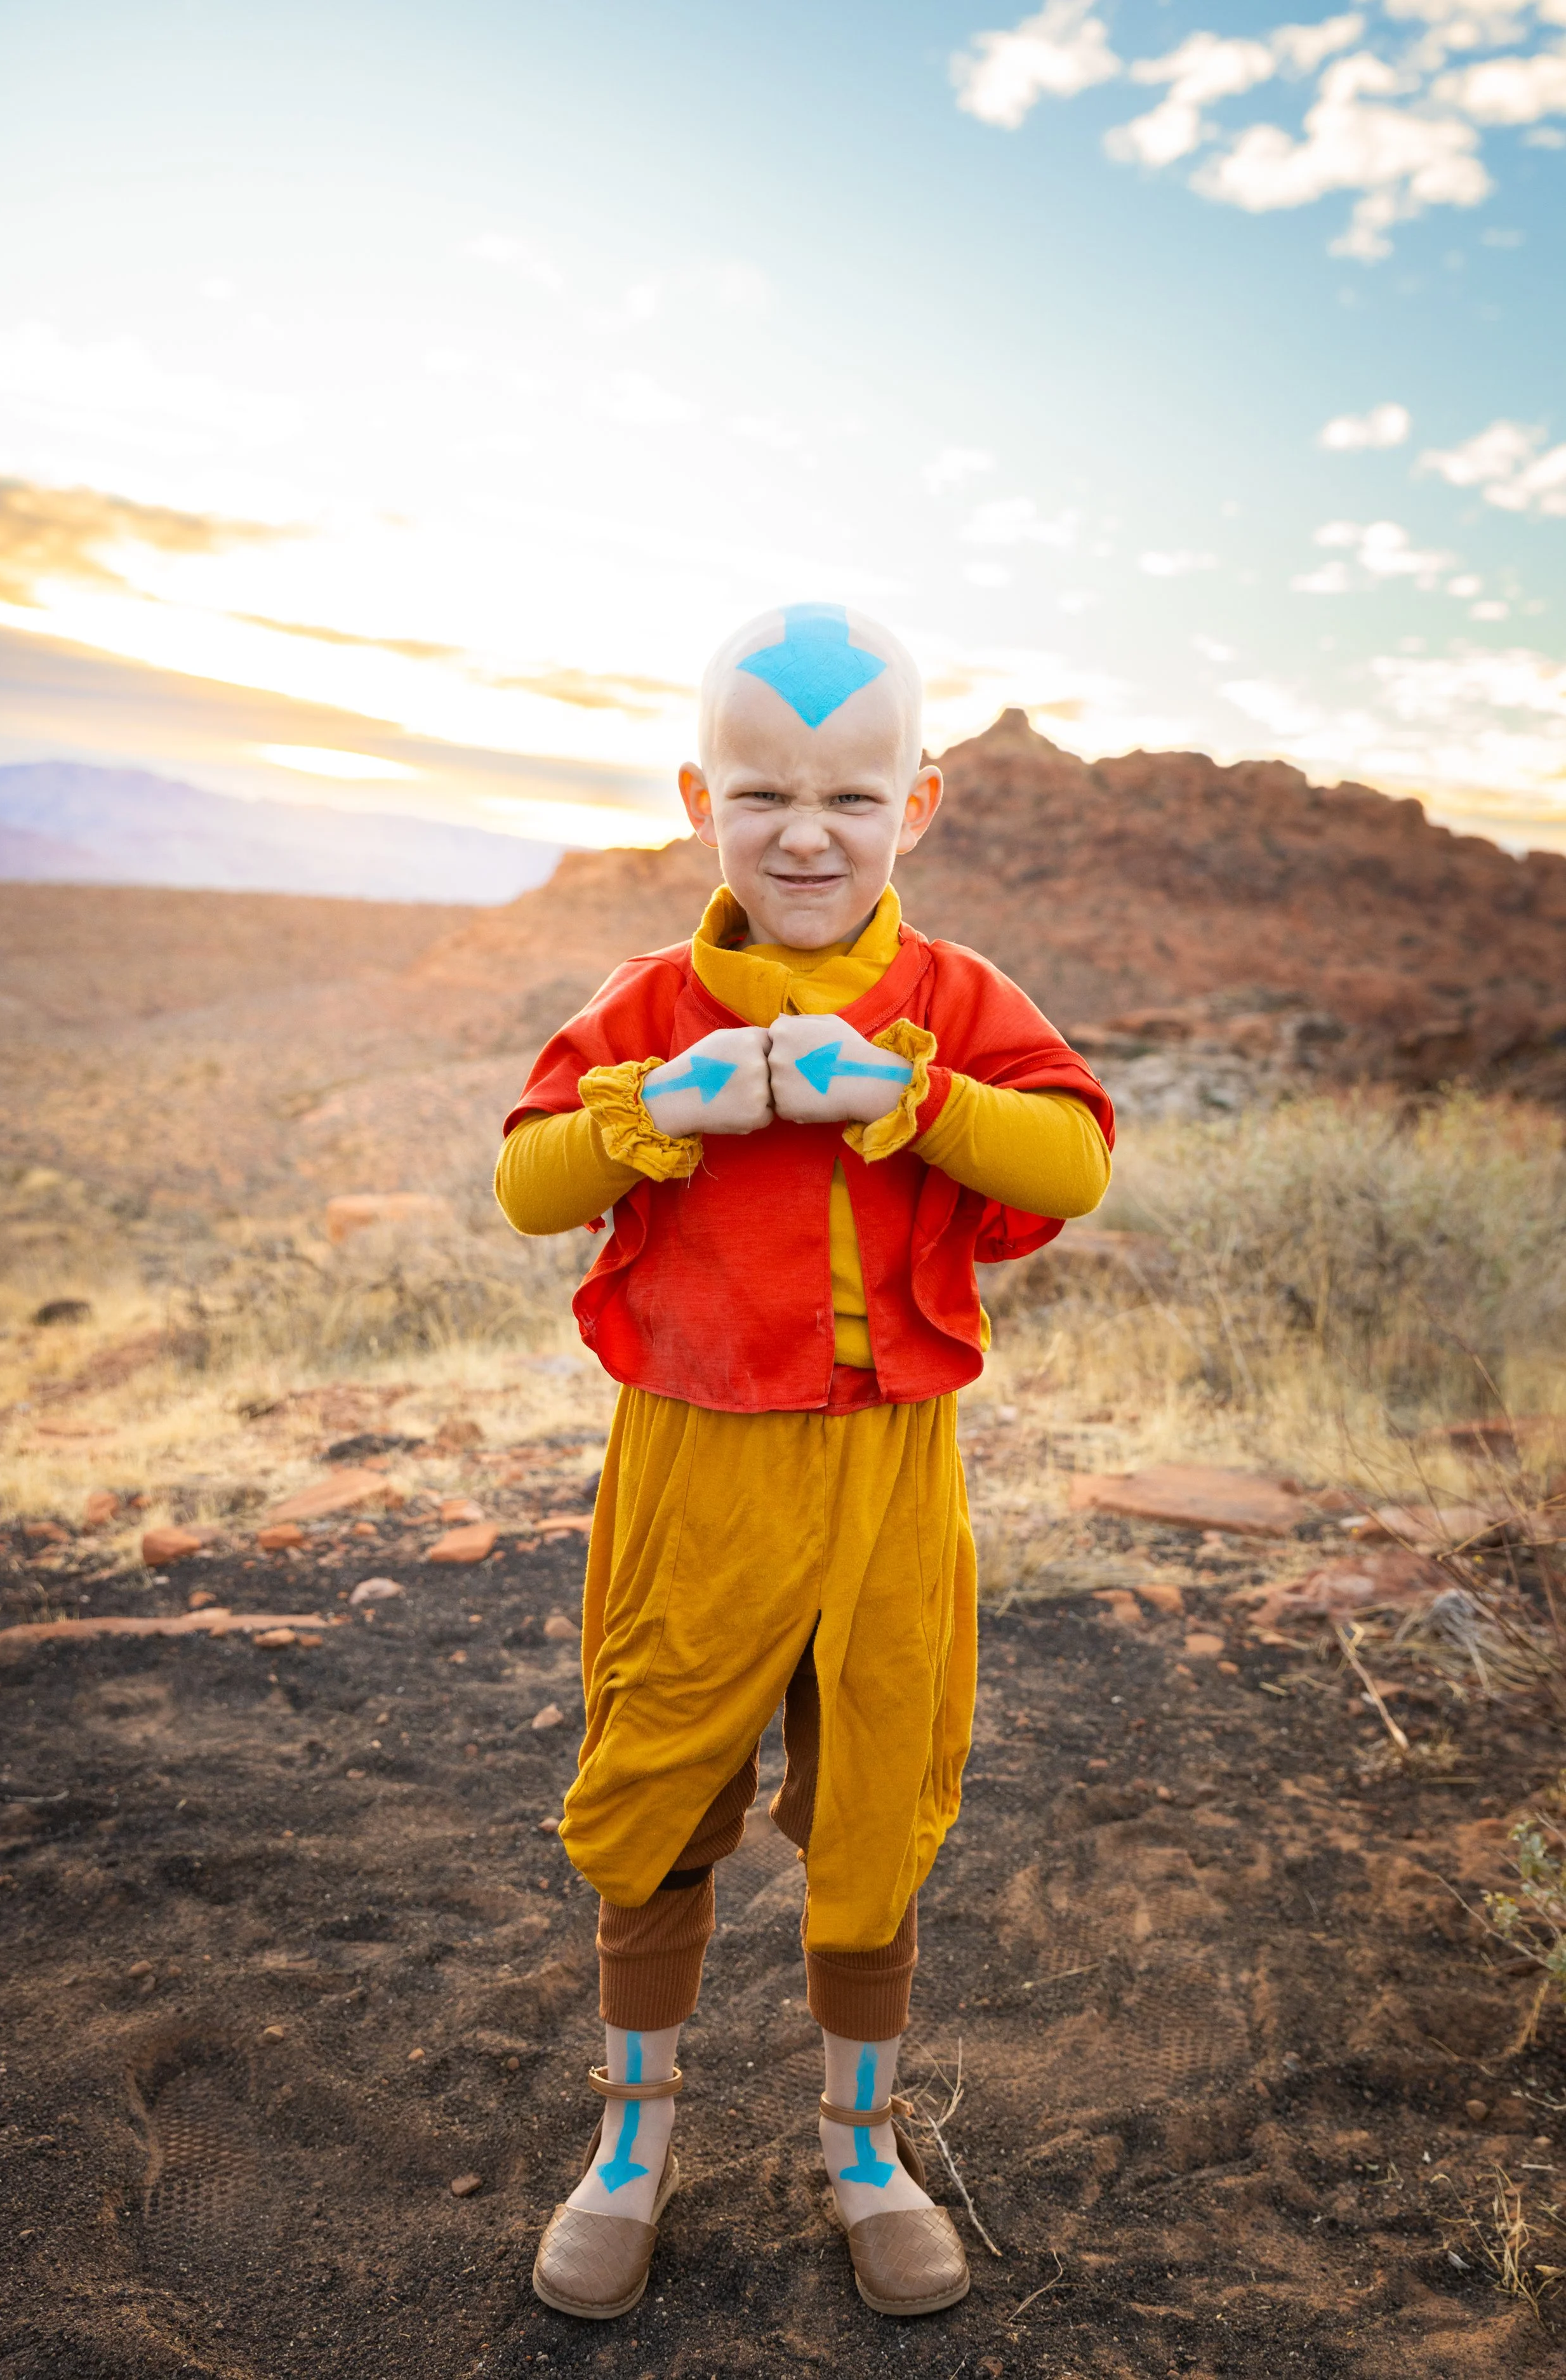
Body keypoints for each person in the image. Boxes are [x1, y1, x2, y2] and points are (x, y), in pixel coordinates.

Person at [496, 601, 1113, 2322]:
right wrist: (661, 1110)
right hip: (693, 1466)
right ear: (701, 796)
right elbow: (528, 1182)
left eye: (849, 796)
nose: (804, 831)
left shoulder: (953, 999)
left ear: (916, 805)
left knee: (871, 1801)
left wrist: (903, 1099)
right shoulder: (647, 1003)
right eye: (762, 792)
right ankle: (633, 2143)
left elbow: (1066, 1159)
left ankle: (862, 2150)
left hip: (887, 1478)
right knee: (657, 1790)